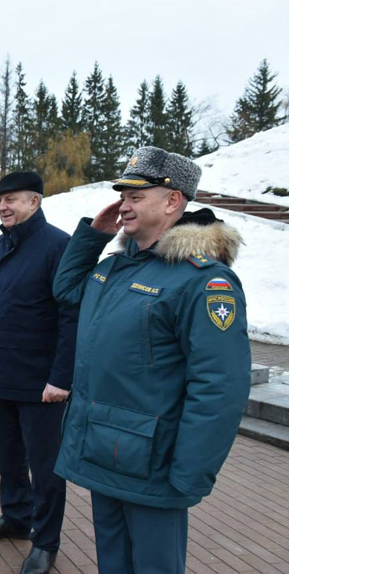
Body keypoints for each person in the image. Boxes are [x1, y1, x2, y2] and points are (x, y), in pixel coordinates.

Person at [52, 147, 251, 574]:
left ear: (173, 201)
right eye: (122, 196)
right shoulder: (118, 268)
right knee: (113, 564)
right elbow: (66, 291)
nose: (124, 206)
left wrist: (189, 472)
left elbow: (220, 386)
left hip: (154, 465)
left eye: (136, 197)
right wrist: (94, 235)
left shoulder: (203, 280)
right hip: (105, 451)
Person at [0, 172, 78, 574]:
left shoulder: (58, 247)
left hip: (41, 382)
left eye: (12, 199)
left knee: (46, 468)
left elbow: (71, 318)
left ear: (36, 201)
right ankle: (15, 517)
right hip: (0, 374)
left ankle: (45, 542)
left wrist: (62, 378)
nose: (3, 207)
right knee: (9, 457)